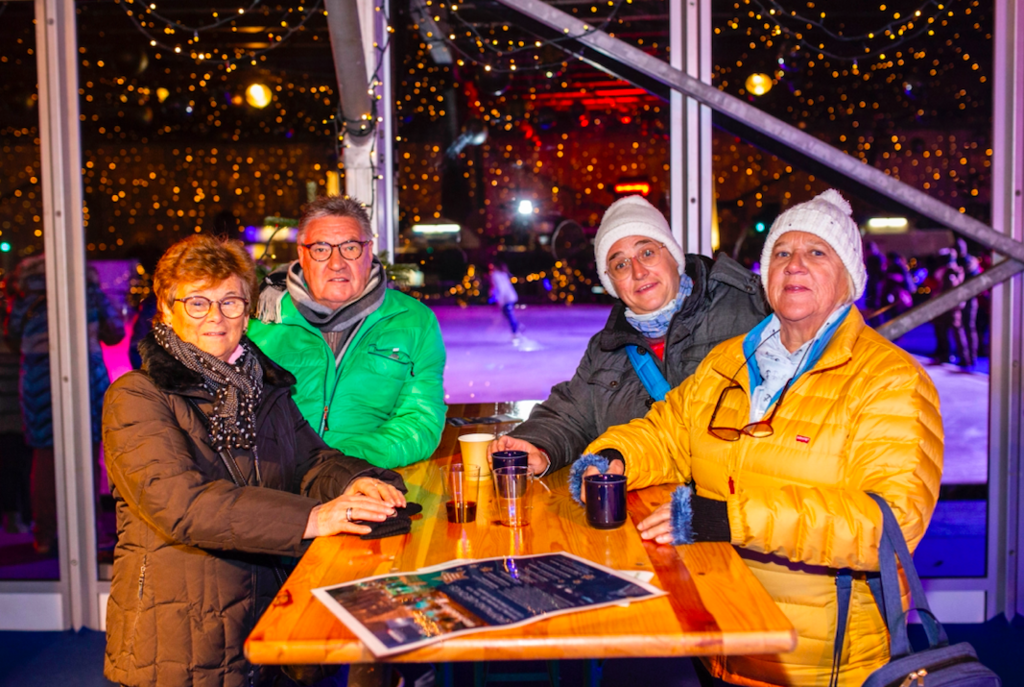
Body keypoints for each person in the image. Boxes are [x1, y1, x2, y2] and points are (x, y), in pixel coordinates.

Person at [576, 189, 942, 687]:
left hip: (820, 661)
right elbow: (667, 432)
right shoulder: (727, 362)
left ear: (848, 277)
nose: (794, 265)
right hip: (723, 635)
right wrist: (614, 455)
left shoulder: (889, 380)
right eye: (782, 253)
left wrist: (729, 517)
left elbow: (889, 526)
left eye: (816, 252)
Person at [102, 234, 408, 687]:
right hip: (182, 637)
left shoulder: (262, 386)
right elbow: (185, 507)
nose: (216, 317)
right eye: (197, 303)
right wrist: (318, 517)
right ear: (166, 309)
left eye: (230, 302)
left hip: (270, 611)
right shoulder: (136, 396)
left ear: (247, 312)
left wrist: (359, 481)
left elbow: (311, 461)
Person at [491, 195, 768, 476]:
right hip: (640, 508)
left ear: (673, 256)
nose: (638, 271)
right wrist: (538, 447)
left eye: (647, 252)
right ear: (611, 282)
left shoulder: (748, 310)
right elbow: (571, 414)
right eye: (620, 264)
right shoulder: (607, 348)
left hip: (733, 505)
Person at [249, 196, 447, 470]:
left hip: (366, 475)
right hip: (277, 480)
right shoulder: (258, 319)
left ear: (369, 250)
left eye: (350, 247)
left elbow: (420, 422)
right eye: (321, 249)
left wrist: (337, 461)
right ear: (302, 254)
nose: (337, 263)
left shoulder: (414, 321)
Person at [4, 255, 124, 554]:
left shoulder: (26, 296)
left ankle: (45, 534)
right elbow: (115, 331)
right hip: (85, 375)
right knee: (87, 453)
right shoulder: (88, 291)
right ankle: (90, 531)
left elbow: (12, 337)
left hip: (38, 378)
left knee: (44, 458)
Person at [488, 261, 522, 340]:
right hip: (509, 297)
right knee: (506, 313)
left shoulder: (496, 275)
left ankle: (516, 332)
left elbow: (501, 288)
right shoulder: (502, 274)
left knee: (509, 315)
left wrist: (501, 299)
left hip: (507, 298)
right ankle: (517, 326)